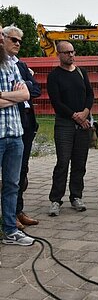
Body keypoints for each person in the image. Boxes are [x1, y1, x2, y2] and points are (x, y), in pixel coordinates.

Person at [47, 41, 94, 216]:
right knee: (63, 162)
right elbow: (56, 102)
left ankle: (76, 196)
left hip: (83, 124)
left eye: (73, 52)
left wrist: (85, 113)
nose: (71, 55)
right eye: (66, 52)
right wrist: (76, 116)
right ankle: (55, 200)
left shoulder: (82, 73)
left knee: (80, 163)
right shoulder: (54, 76)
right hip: (64, 124)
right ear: (59, 54)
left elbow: (90, 94)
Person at [3, 25, 41, 230]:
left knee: (21, 170)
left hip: (25, 121)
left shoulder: (22, 65)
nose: (17, 44)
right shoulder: (4, 66)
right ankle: (8, 216)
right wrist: (17, 92)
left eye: (19, 41)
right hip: (8, 121)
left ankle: (18, 210)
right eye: (13, 40)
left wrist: (24, 84)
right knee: (8, 173)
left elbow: (34, 89)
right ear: (3, 39)